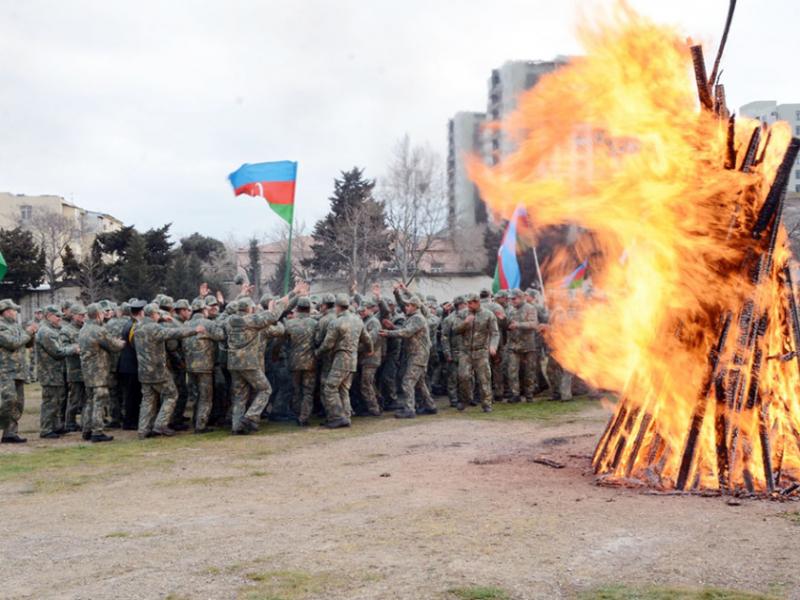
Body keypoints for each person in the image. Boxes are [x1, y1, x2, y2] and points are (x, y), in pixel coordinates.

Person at [134, 303, 204, 439]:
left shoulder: (138, 326)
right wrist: (195, 330)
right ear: (153, 314)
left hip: (143, 371)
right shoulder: (154, 328)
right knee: (171, 394)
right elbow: (173, 333)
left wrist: (162, 319)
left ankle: (143, 430)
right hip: (157, 370)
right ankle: (160, 424)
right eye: (158, 313)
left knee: (148, 399)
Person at [225, 297, 281, 434]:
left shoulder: (229, 321)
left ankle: (236, 427)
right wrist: (273, 310)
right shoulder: (251, 321)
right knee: (265, 389)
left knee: (239, 396)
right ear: (249, 309)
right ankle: (250, 417)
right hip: (249, 363)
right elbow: (274, 320)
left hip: (233, 363)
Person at [317, 293, 372, 428]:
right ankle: (346, 417)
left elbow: (328, 344)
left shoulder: (336, 322)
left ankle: (336, 417)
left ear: (337, 306)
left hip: (341, 359)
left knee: (330, 387)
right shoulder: (358, 320)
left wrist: (317, 352)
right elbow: (367, 339)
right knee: (343, 389)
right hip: (353, 359)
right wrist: (369, 350)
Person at [379, 291, 437, 419]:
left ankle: (409, 409)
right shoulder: (412, 317)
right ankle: (430, 405)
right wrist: (393, 327)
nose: (406, 307)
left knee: (407, 381)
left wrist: (388, 333)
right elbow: (406, 331)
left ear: (415, 306)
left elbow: (407, 333)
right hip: (415, 354)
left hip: (418, 354)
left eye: (409, 305)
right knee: (419, 382)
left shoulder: (417, 318)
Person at [79, 303, 126, 442]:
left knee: (90, 401)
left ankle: (87, 430)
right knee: (100, 400)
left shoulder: (83, 329)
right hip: (99, 372)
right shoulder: (98, 330)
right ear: (98, 314)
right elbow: (113, 346)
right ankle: (97, 431)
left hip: (88, 371)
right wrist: (121, 343)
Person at [35, 305, 80, 438]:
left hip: (56, 371)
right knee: (50, 401)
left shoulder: (53, 330)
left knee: (57, 401)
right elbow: (57, 351)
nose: (60, 318)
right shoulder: (46, 332)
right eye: (57, 316)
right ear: (49, 316)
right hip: (49, 372)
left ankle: (56, 426)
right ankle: (46, 429)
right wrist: (73, 349)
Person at [183, 298, 225, 433]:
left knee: (196, 395)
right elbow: (221, 336)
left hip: (190, 366)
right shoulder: (208, 323)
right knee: (206, 397)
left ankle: (195, 420)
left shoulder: (186, 324)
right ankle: (201, 425)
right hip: (205, 366)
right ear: (203, 310)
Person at [453, 293, 499, 412]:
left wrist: (493, 346)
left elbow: (495, 333)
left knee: (484, 378)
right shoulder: (462, 314)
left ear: (477, 302)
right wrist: (465, 323)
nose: (468, 305)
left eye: (470, 303)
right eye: (467, 303)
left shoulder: (488, 314)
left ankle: (487, 403)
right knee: (463, 376)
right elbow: (455, 330)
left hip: (481, 351)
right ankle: (465, 399)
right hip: (465, 351)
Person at [0, 299, 38, 443]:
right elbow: (12, 343)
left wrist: (32, 333)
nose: (16, 313)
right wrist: (27, 332)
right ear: (6, 311)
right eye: (14, 310)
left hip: (19, 371)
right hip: (5, 371)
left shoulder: (16, 326)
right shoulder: (1, 326)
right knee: (8, 401)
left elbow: (27, 344)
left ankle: (10, 433)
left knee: (18, 404)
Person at [282, 297, 318, 425]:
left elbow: (282, 342)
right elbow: (318, 341)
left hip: (294, 362)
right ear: (309, 309)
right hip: (311, 362)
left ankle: (297, 414)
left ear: (297, 309)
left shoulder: (289, 324)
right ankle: (304, 417)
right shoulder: (315, 324)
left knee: (296, 390)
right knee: (308, 391)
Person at [505, 289, 544, 403]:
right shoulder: (510, 309)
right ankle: (515, 394)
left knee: (529, 371)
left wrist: (518, 325)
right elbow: (507, 324)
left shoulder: (530, 308)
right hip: (513, 345)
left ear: (521, 297)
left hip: (528, 345)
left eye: (514, 299)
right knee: (512, 370)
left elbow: (533, 324)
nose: (512, 301)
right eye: (511, 299)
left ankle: (529, 394)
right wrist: (503, 321)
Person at [61, 304, 87, 432]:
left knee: (87, 399)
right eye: (81, 315)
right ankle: (70, 422)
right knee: (74, 399)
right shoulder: (66, 330)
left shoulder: (86, 328)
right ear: (73, 316)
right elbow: (62, 348)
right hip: (74, 369)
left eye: (84, 315)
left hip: (87, 369)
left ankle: (86, 423)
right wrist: (74, 349)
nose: (83, 317)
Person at [357, 299, 383, 416]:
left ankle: (373, 409)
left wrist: (355, 347)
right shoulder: (365, 321)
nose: (361, 313)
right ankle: (378, 403)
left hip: (371, 358)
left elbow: (371, 340)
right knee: (370, 383)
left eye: (363, 310)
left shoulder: (373, 322)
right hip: (366, 358)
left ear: (370, 309)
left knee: (366, 384)